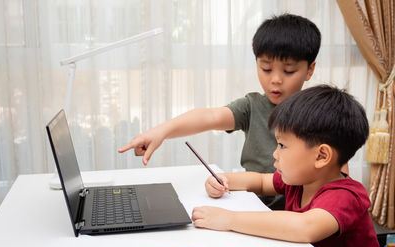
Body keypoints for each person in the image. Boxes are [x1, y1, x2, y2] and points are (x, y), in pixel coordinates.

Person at [118, 13, 321, 210]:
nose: (275, 79)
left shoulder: (321, 113)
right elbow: (209, 117)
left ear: (309, 70)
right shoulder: (252, 106)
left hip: (296, 218)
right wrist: (161, 132)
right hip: (252, 206)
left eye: (288, 71)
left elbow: (337, 177)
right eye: (266, 69)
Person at [192, 85, 383, 247]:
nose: (275, 154)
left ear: (321, 156)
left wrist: (229, 220)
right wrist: (223, 179)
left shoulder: (345, 196)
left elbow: (303, 227)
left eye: (282, 146)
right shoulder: (301, 180)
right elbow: (260, 181)